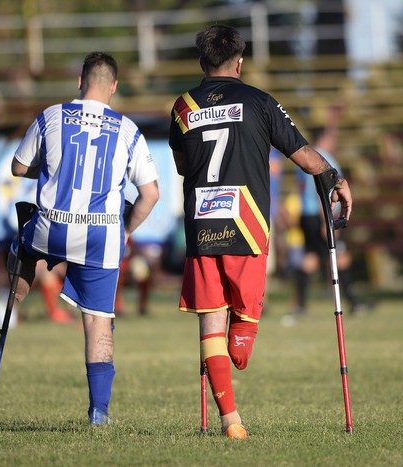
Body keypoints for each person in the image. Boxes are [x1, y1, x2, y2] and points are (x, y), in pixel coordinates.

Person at [168, 24, 352, 439]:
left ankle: (230, 421)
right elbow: (305, 156)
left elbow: (182, 164)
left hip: (201, 223)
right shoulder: (259, 101)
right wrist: (335, 177)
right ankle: (245, 333)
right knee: (243, 321)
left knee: (210, 323)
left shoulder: (182, 106)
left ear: (202, 63)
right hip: (245, 222)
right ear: (240, 62)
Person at [8, 52, 160, 425]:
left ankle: (20, 277)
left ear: (80, 81)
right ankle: (99, 412)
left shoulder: (51, 116)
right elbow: (151, 193)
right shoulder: (127, 130)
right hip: (100, 235)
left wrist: (54, 170)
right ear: (114, 87)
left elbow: (17, 166)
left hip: (52, 226)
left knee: (25, 235)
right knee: (98, 322)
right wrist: (125, 231)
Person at [291, 120, 370, 319]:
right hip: (320, 215)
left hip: (306, 215)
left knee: (311, 258)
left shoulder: (303, 157)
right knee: (340, 256)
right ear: (324, 138)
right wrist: (328, 221)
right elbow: (322, 192)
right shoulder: (322, 160)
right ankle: (354, 302)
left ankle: (299, 305)